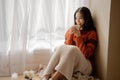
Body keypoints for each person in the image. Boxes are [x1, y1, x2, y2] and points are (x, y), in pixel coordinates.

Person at [42, 6, 97, 80]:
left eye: (80, 18)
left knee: (73, 49)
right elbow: (66, 49)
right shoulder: (72, 30)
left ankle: (53, 78)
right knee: (61, 47)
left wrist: (78, 37)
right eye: (76, 18)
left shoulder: (91, 33)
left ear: (86, 19)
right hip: (74, 63)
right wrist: (71, 34)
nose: (77, 21)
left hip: (87, 65)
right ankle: (46, 75)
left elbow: (86, 54)